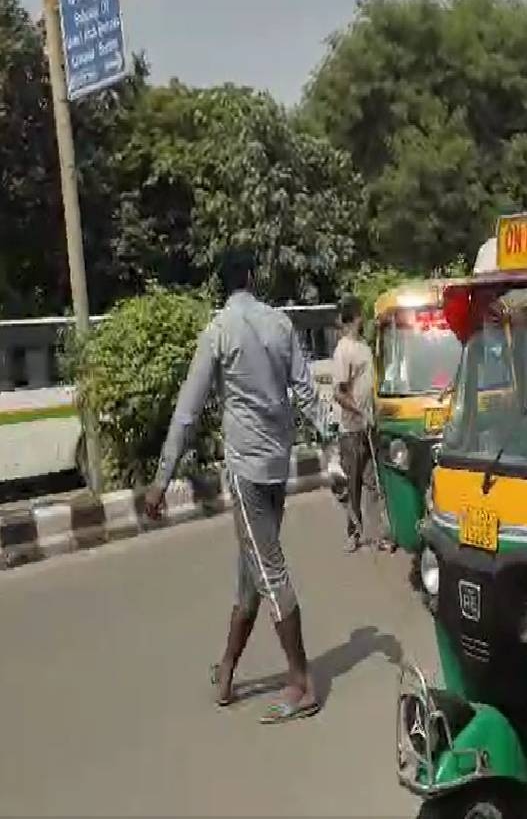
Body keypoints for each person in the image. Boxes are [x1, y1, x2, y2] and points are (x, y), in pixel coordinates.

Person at [145, 249, 323, 723]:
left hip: (246, 470)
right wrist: (335, 440)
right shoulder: (281, 325)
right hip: (277, 465)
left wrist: (161, 480)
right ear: (251, 277)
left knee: (269, 573)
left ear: (223, 285)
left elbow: (188, 410)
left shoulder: (218, 331)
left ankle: (301, 681)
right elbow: (306, 394)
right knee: (252, 573)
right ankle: (226, 670)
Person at [331, 296, 391, 553]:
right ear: (355, 318)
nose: (363, 320)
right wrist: (360, 413)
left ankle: (379, 535)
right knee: (353, 485)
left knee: (374, 483)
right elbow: (339, 393)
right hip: (352, 431)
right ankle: (353, 534)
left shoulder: (364, 347)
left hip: (369, 427)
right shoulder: (344, 350)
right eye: (361, 316)